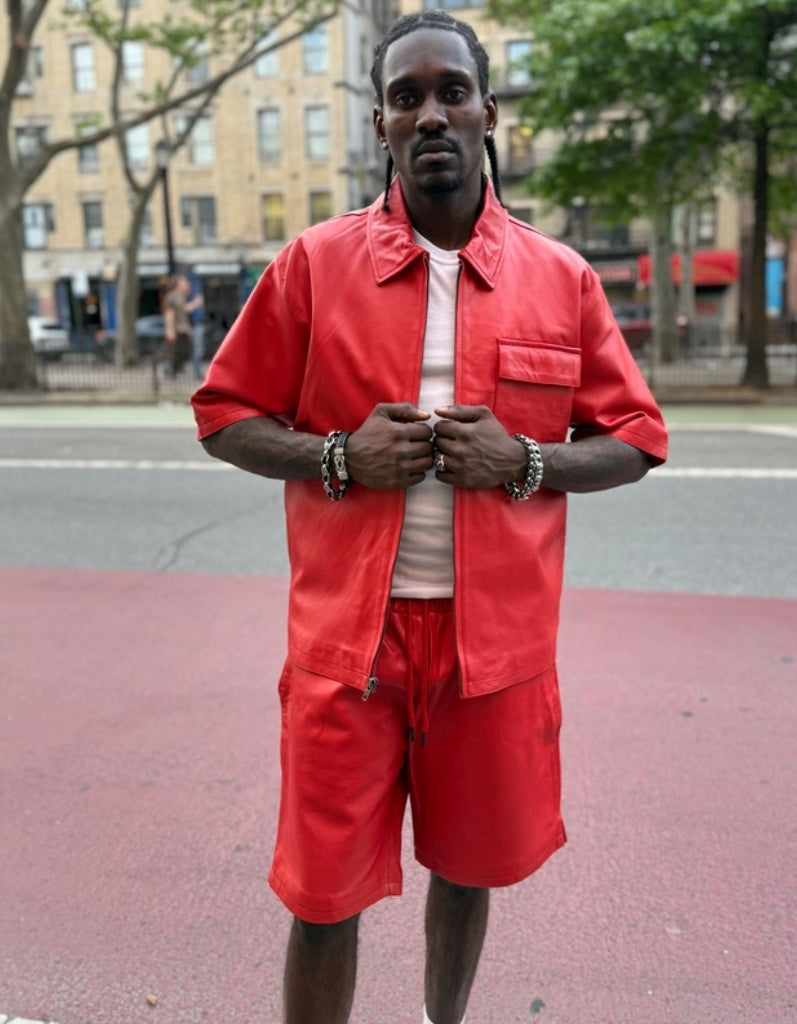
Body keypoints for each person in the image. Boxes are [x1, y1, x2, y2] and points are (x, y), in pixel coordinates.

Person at [191, 11, 668, 1024]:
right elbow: (222, 412)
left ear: (487, 112)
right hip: (345, 651)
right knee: (323, 900)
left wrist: (527, 460)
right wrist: (334, 454)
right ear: (381, 126)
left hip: (490, 654)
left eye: (451, 90)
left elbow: (635, 436)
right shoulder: (313, 267)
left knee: (467, 872)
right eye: (406, 97)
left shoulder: (560, 276)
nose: (431, 113)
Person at [162, 273, 199, 377]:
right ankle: (170, 371)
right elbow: (169, 314)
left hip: (183, 329)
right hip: (177, 329)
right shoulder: (171, 296)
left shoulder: (181, 297)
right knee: (174, 351)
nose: (186, 283)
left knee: (184, 351)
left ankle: (177, 370)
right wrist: (170, 330)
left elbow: (183, 314)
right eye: (184, 282)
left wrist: (187, 328)